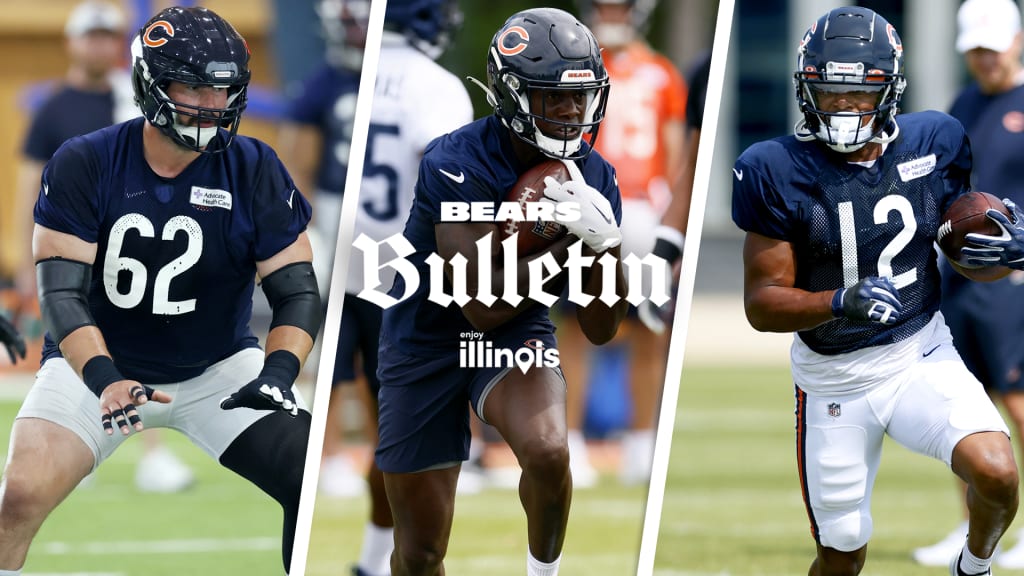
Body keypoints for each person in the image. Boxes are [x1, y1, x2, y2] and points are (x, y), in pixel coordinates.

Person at [0, 6, 319, 575]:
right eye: (197, 87)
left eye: (225, 90)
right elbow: (62, 297)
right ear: (152, 83)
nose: (215, 106)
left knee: (308, 477)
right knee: (17, 498)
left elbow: (297, 290)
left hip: (216, 367)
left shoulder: (254, 166)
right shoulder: (86, 160)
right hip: (96, 364)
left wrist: (278, 375)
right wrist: (104, 378)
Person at [732, 7, 1020, 576]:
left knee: (997, 471)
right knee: (843, 555)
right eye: (830, 90)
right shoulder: (774, 168)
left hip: (919, 349)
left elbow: (962, 253)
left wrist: (1002, 252)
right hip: (834, 375)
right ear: (805, 86)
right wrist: (838, 300)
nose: (843, 105)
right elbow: (761, 303)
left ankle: (975, 566)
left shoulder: (934, 140)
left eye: (859, 93)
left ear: (890, 90)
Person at [371, 8, 626, 575]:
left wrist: (605, 245)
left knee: (550, 450)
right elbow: (480, 305)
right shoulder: (455, 161)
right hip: (427, 338)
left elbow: (603, 328)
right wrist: (566, 244)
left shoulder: (594, 174)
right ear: (511, 95)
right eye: (551, 97)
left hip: (517, 334)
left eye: (578, 98)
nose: (569, 112)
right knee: (420, 553)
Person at [13, 0, 196, 496]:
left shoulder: (130, 96)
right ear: (72, 42)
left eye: (106, 36)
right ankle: (74, 445)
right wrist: (24, 254)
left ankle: (124, 453)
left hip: (128, 241)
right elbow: (29, 182)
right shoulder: (53, 107)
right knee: (74, 347)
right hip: (70, 241)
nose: (99, 44)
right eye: (90, 35)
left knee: (123, 347)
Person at [914, 0, 1024, 568]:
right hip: (961, 278)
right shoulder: (963, 105)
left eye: (994, 44)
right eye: (975, 47)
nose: (985, 57)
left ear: (1017, 39)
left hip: (1015, 281)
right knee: (966, 410)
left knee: (1019, 404)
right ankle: (970, 530)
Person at [560, 0, 686, 487]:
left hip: (597, 205)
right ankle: (636, 445)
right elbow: (674, 161)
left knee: (584, 329)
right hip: (644, 210)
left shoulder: (576, 67)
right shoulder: (662, 73)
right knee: (641, 329)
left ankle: (589, 442)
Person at [278, 0, 367, 501]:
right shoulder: (323, 83)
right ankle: (328, 453)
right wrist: (305, 227)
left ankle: (382, 452)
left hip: (386, 221)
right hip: (332, 213)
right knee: (330, 340)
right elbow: (297, 164)